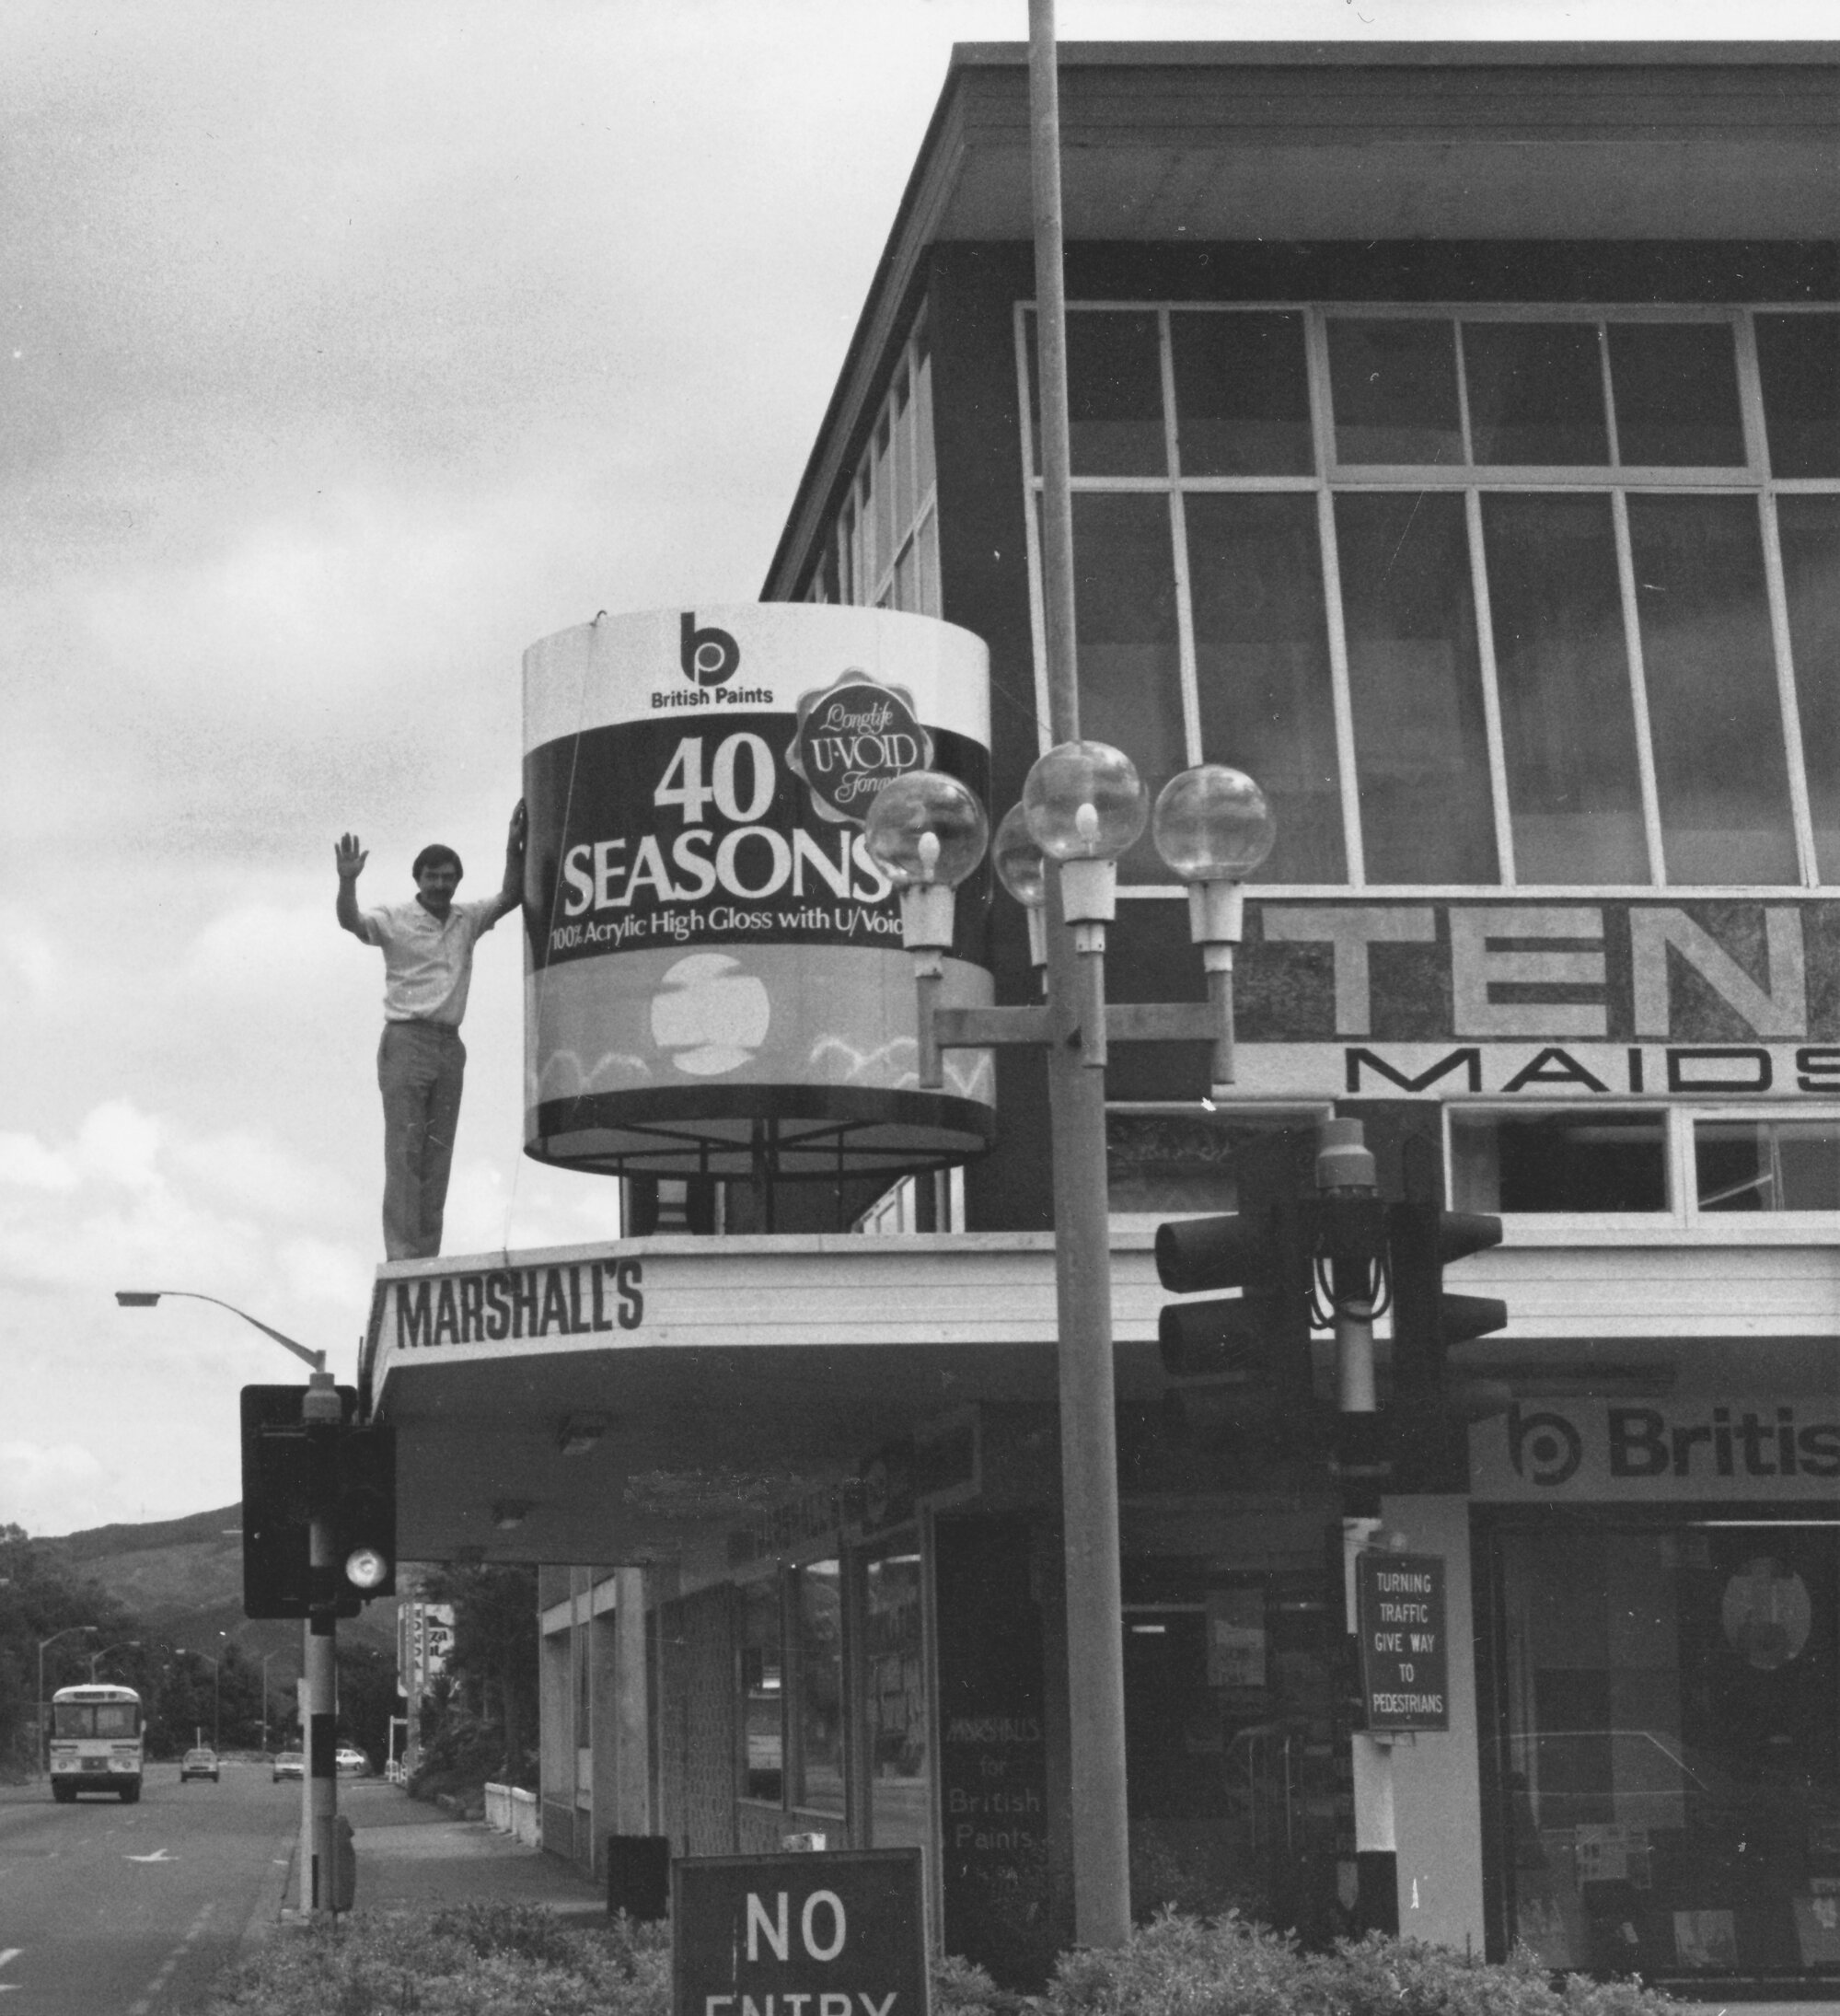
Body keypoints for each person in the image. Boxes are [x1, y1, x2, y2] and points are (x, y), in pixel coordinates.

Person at [336, 803, 527, 1261]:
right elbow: (352, 921)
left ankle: (426, 1256)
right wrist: (347, 881)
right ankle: (403, 1256)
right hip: (406, 1041)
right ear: (418, 879)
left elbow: (510, 895)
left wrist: (512, 844)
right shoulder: (394, 918)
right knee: (405, 1151)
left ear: (457, 880)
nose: (441, 885)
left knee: (437, 1156)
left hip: (449, 1046)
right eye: (432, 876)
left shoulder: (467, 918)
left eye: (448, 877)